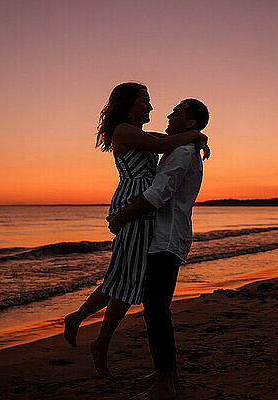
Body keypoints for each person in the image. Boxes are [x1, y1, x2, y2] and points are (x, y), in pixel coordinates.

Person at [63, 83, 209, 377]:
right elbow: (162, 146)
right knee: (126, 277)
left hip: (144, 211)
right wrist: (195, 134)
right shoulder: (123, 130)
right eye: (145, 101)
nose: (151, 107)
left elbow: (165, 140)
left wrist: (194, 134)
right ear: (128, 104)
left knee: (127, 277)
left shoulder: (139, 134)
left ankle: (89, 329)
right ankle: (91, 331)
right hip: (135, 206)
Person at [107, 98, 209, 399]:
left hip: (165, 239)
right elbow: (159, 142)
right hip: (165, 237)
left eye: (176, 112)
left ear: (189, 122)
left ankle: (165, 383)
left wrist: (120, 218)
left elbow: (156, 195)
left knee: (156, 310)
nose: (168, 114)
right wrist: (198, 136)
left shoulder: (181, 153)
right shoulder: (180, 146)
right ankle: (167, 373)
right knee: (157, 308)